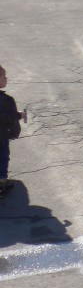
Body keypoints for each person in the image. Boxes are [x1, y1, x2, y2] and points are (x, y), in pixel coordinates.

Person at [0, 64, 26, 196]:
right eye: (4, 77)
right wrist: (17, 115)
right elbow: (4, 117)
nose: (6, 79)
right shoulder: (2, 100)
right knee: (2, 158)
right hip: (1, 137)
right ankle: (1, 185)